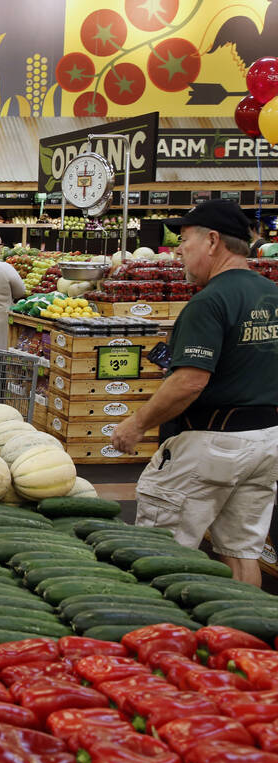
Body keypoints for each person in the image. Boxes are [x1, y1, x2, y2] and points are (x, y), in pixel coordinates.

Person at [110, 200, 278, 587]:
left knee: (159, 552)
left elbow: (190, 380)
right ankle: (241, 641)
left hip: (211, 442)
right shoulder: (270, 292)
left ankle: (162, 635)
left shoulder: (210, 301)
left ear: (213, 241)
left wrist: (136, 424)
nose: (179, 251)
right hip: (266, 440)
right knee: (240, 551)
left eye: (184, 241)